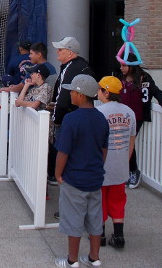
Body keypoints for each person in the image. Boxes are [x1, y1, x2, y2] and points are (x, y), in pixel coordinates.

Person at [54, 74, 109, 268]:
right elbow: (104, 149)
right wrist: (98, 168)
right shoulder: (101, 118)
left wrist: (58, 174)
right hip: (95, 177)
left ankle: (72, 260)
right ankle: (94, 258)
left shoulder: (71, 119)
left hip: (74, 177)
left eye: (72, 91)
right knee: (95, 219)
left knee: (73, 220)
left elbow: (63, 151)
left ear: (80, 94)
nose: (69, 94)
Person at [96, 76, 136, 249]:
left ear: (106, 92)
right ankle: (119, 235)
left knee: (100, 199)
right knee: (118, 199)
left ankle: (101, 234)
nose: (97, 92)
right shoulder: (129, 112)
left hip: (102, 164)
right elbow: (131, 140)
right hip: (121, 164)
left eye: (99, 89)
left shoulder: (100, 112)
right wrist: (125, 160)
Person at [48, 37, 95, 185]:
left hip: (69, 118)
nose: (57, 51)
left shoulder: (71, 68)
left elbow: (62, 98)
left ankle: (60, 177)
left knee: (63, 150)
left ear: (70, 53)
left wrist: (56, 119)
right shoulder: (79, 66)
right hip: (82, 116)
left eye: (61, 49)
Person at [117, 52, 162, 189]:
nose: (121, 68)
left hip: (137, 116)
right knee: (123, 142)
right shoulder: (121, 77)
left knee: (127, 142)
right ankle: (127, 171)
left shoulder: (145, 78)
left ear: (132, 66)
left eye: (124, 65)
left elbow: (157, 92)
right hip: (123, 116)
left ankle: (133, 171)